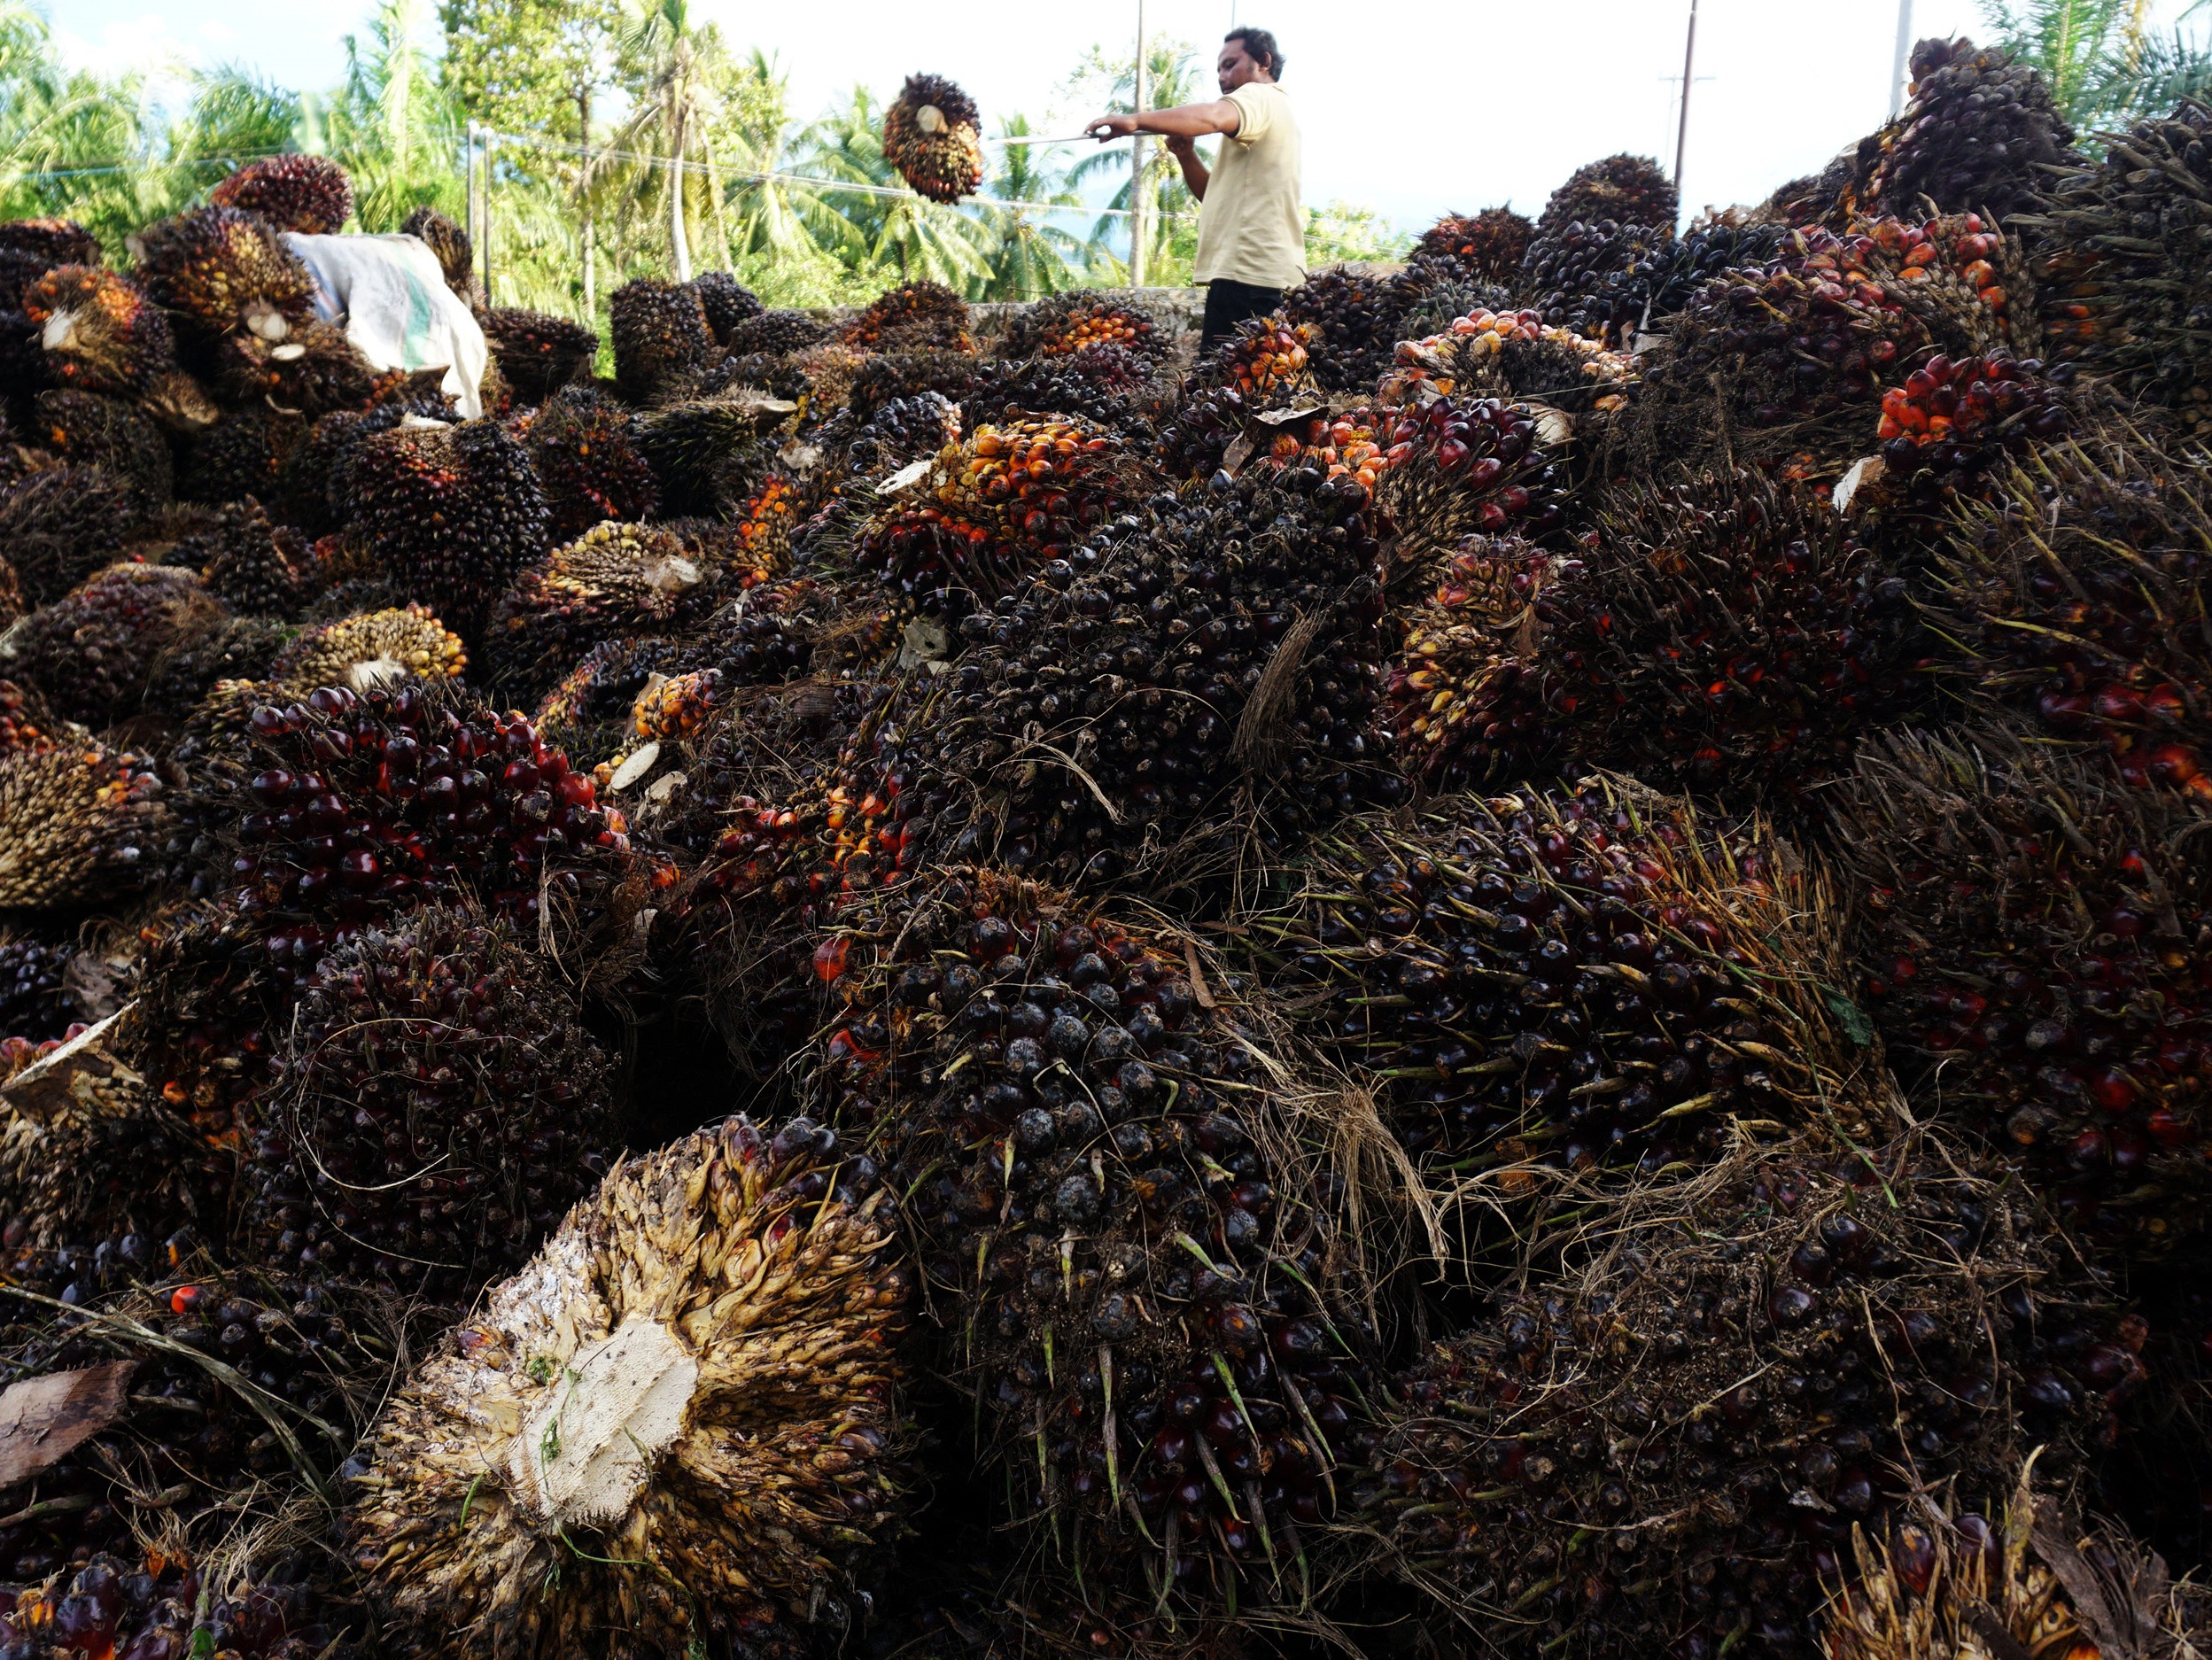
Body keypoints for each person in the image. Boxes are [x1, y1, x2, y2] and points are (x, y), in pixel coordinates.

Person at [1083, 27, 1303, 355]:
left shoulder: (1259, 96)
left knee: (1222, 393)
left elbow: (1214, 116)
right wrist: (1186, 156)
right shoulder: (1273, 112)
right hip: (1252, 276)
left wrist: (1135, 120)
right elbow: (1213, 197)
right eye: (1218, 69)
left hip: (1249, 277)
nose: (1222, 76)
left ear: (1264, 62)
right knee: (1239, 392)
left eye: (1230, 64)